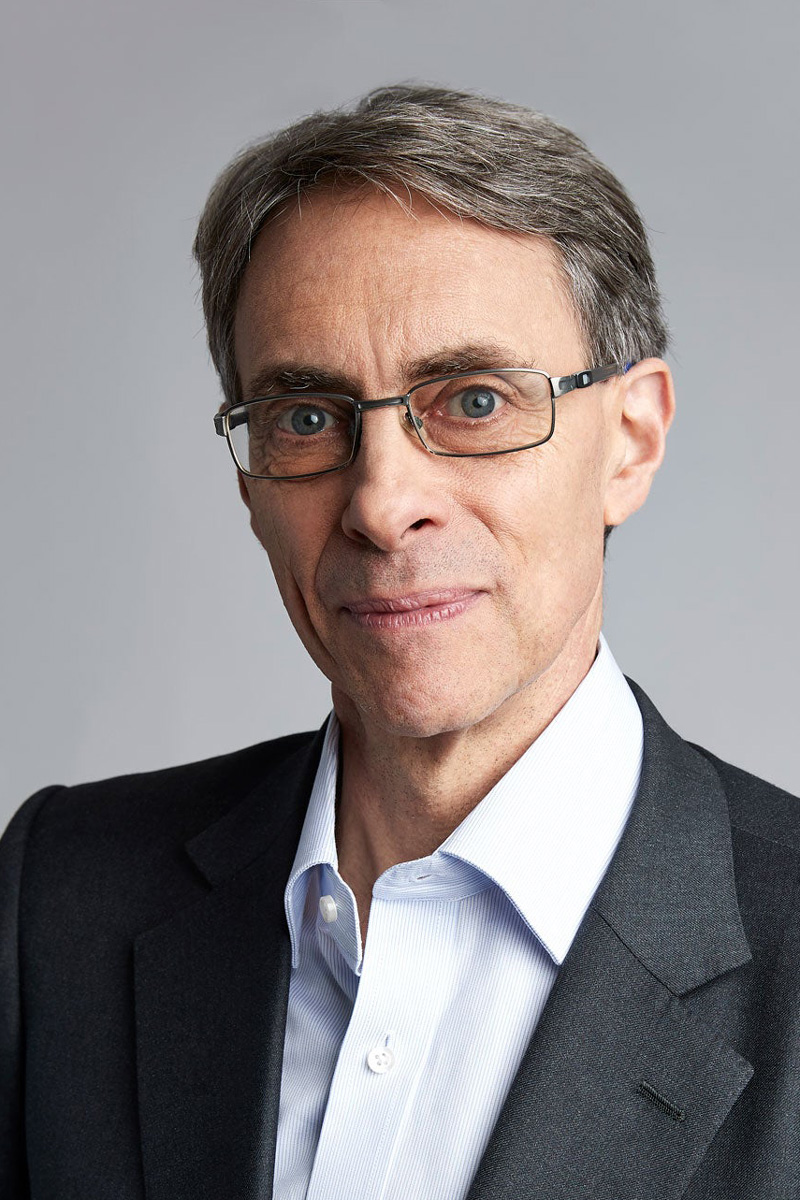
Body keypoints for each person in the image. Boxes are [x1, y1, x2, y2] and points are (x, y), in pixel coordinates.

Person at [1, 84, 798, 1200]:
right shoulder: (62, 894)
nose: (381, 505)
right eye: (306, 417)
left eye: (472, 402)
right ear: (249, 479)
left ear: (630, 440)